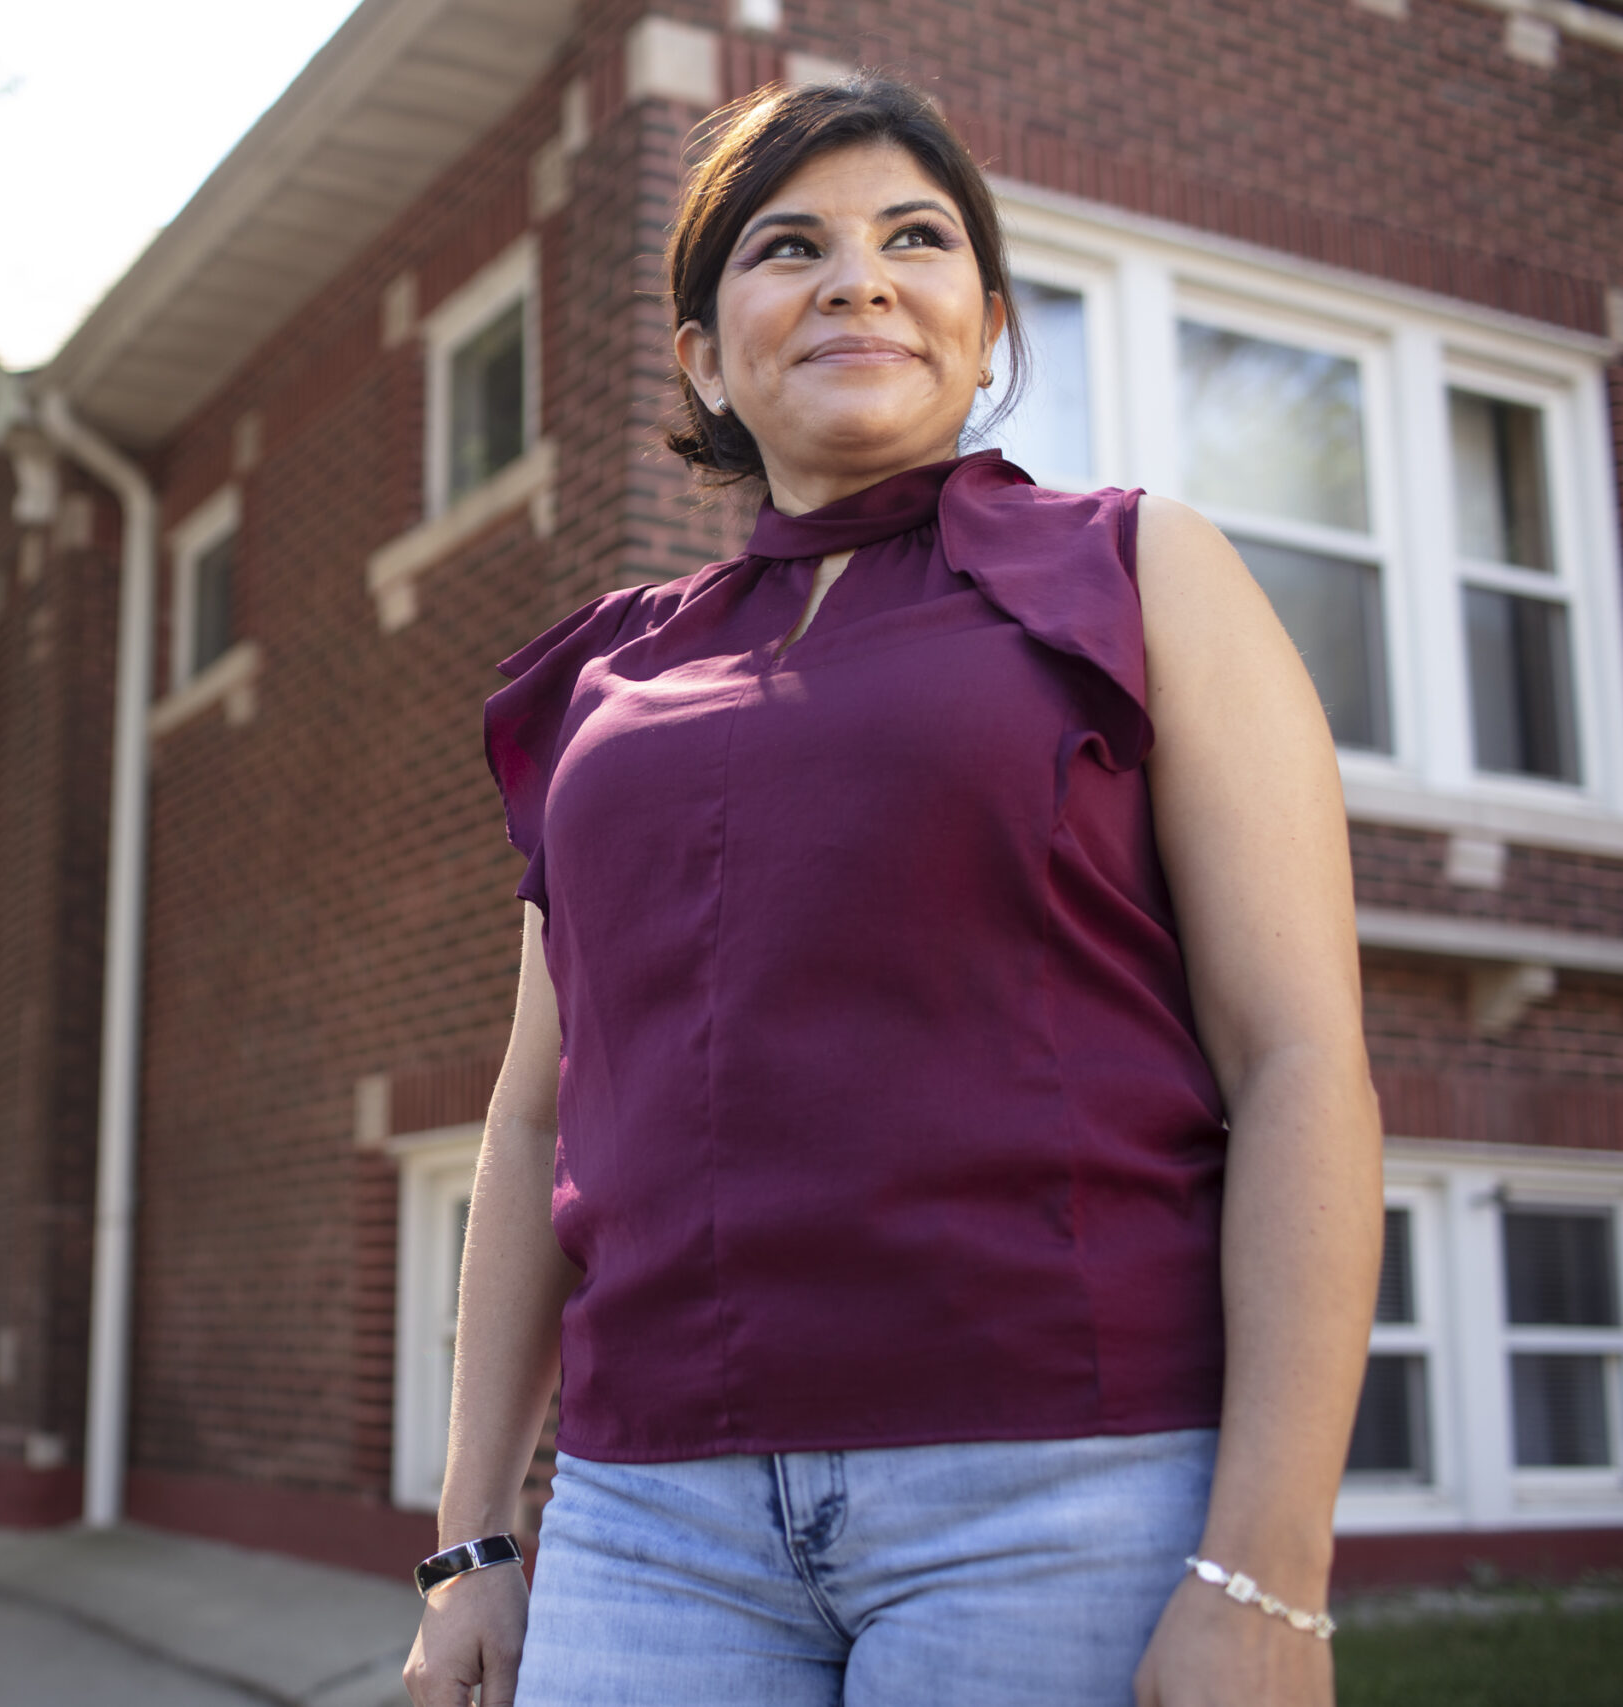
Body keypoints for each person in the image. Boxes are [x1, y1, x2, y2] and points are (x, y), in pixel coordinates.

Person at [401, 74, 1382, 1707]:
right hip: (649, 1521)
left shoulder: (1138, 572)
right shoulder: (606, 679)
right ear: (707, 355)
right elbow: (531, 1118)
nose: (858, 275)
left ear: (984, 326)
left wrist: (1268, 1572)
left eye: (913, 238)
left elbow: (1297, 1062)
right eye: (790, 246)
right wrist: (471, 1543)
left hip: (1060, 1492)